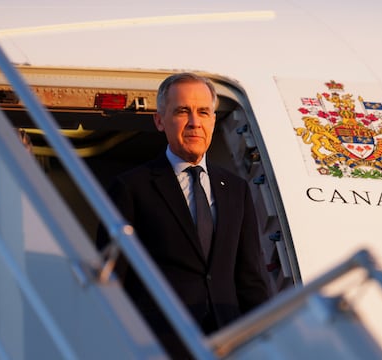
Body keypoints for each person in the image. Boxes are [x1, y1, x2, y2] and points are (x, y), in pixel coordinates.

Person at [96, 72, 270, 357]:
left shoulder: (236, 189)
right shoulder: (131, 188)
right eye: (182, 111)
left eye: (203, 112)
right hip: (159, 345)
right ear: (159, 120)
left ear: (213, 120)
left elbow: (250, 279)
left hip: (228, 345)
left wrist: (266, 340)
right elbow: (114, 281)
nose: (194, 123)